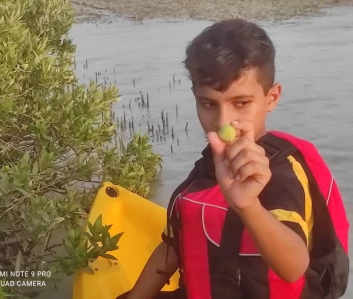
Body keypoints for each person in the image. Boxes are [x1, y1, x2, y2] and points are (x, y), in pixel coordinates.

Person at [118, 18, 349, 299]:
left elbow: (294, 267)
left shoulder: (283, 174)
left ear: (272, 98)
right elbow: (173, 246)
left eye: (241, 103)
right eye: (208, 104)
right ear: (195, 98)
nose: (224, 122)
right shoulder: (207, 165)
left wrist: (248, 205)